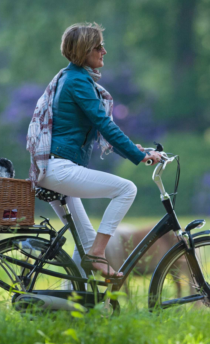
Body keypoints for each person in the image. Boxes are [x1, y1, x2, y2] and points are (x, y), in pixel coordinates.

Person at [26, 22, 161, 278]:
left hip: (55, 169)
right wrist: (140, 156)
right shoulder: (77, 81)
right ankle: (98, 254)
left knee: (84, 241)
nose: (104, 51)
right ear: (84, 50)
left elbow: (102, 129)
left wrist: (134, 147)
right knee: (126, 189)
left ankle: (71, 306)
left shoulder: (70, 78)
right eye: (98, 46)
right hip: (59, 170)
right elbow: (105, 124)